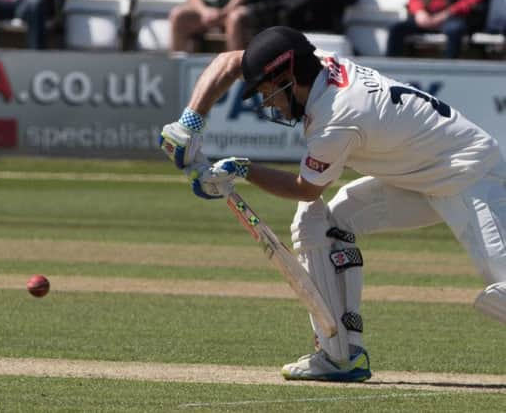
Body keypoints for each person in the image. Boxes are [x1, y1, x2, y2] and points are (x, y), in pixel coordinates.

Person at [159, 26, 506, 382]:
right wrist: (189, 124)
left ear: (289, 78)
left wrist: (243, 168)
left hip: (474, 177)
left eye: (268, 92)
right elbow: (231, 61)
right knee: (326, 223)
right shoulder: (317, 65)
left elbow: (306, 189)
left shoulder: (337, 116)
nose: (269, 103)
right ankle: (340, 356)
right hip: (421, 178)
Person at [226, 0, 360, 50]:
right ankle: (240, 77)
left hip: (318, 22)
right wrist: (223, 12)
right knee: (236, 17)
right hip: (275, 11)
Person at [386, 0, 489, 59]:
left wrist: (448, 13)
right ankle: (389, 72)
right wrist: (419, 11)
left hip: (454, 16)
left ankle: (448, 71)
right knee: (396, 29)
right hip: (426, 15)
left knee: (454, 30)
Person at [168, 0, 252, 52]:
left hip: (234, 10)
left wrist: (224, 12)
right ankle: (178, 66)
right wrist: (204, 11)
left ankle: (236, 69)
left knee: (235, 18)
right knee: (178, 16)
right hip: (206, 13)